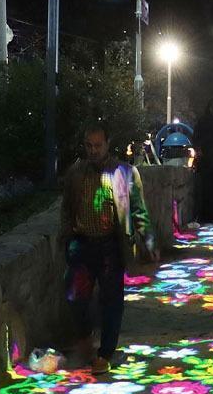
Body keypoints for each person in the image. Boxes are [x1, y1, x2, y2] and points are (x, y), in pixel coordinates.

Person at [60, 123, 154, 375]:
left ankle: (105, 352)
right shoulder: (75, 173)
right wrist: (67, 237)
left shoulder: (124, 172)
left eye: (97, 145)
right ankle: (85, 337)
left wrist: (148, 242)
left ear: (107, 144)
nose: (93, 150)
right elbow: (67, 208)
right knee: (75, 296)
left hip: (111, 244)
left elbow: (138, 210)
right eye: (89, 145)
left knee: (111, 300)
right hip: (81, 243)